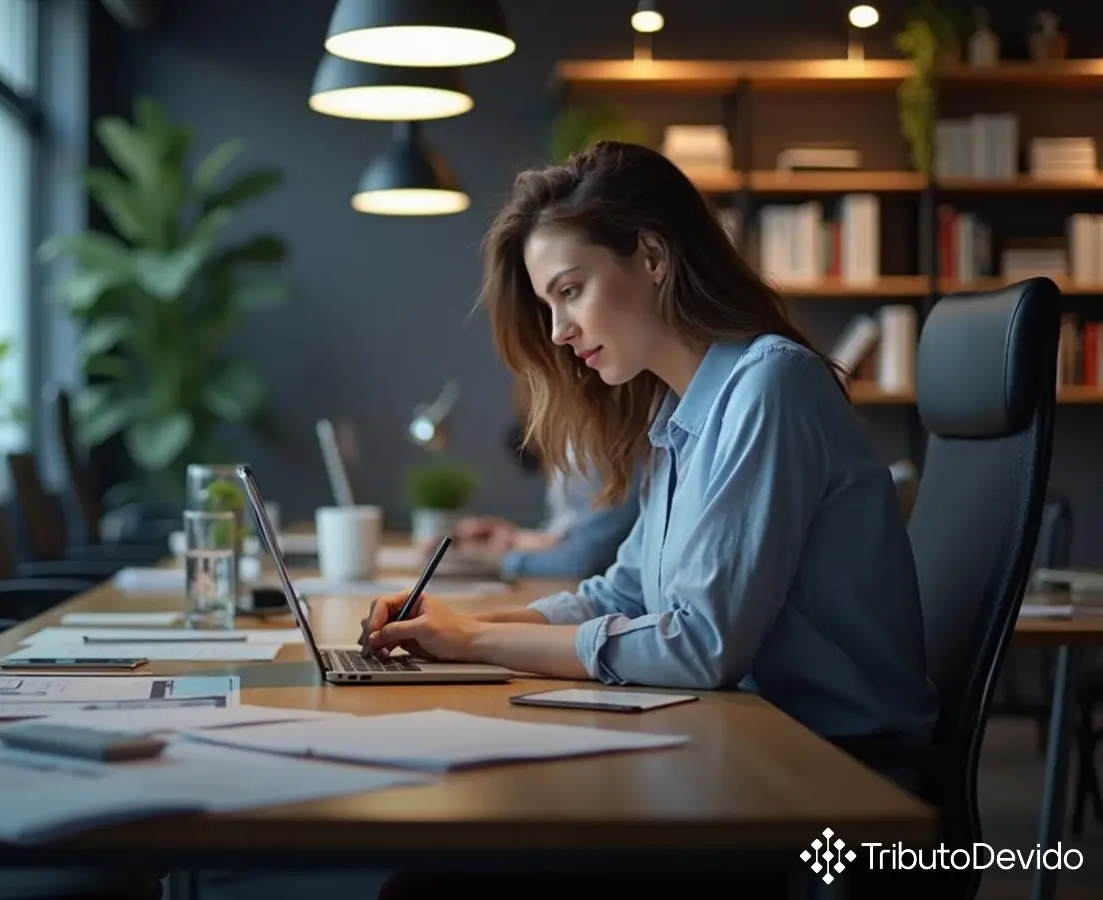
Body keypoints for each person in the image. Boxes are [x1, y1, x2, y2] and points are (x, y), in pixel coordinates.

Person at [362, 141, 938, 897]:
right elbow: (619, 594)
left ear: (652, 257)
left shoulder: (770, 388)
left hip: (825, 784)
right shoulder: (679, 415)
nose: (560, 330)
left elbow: (700, 645)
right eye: (548, 304)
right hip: (739, 746)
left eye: (570, 290)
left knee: (434, 884)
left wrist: (478, 639)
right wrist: (463, 623)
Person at [443, 438, 641, 580]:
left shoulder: (606, 450)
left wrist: (498, 558)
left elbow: (584, 559)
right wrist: (514, 538)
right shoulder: (573, 445)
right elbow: (565, 534)